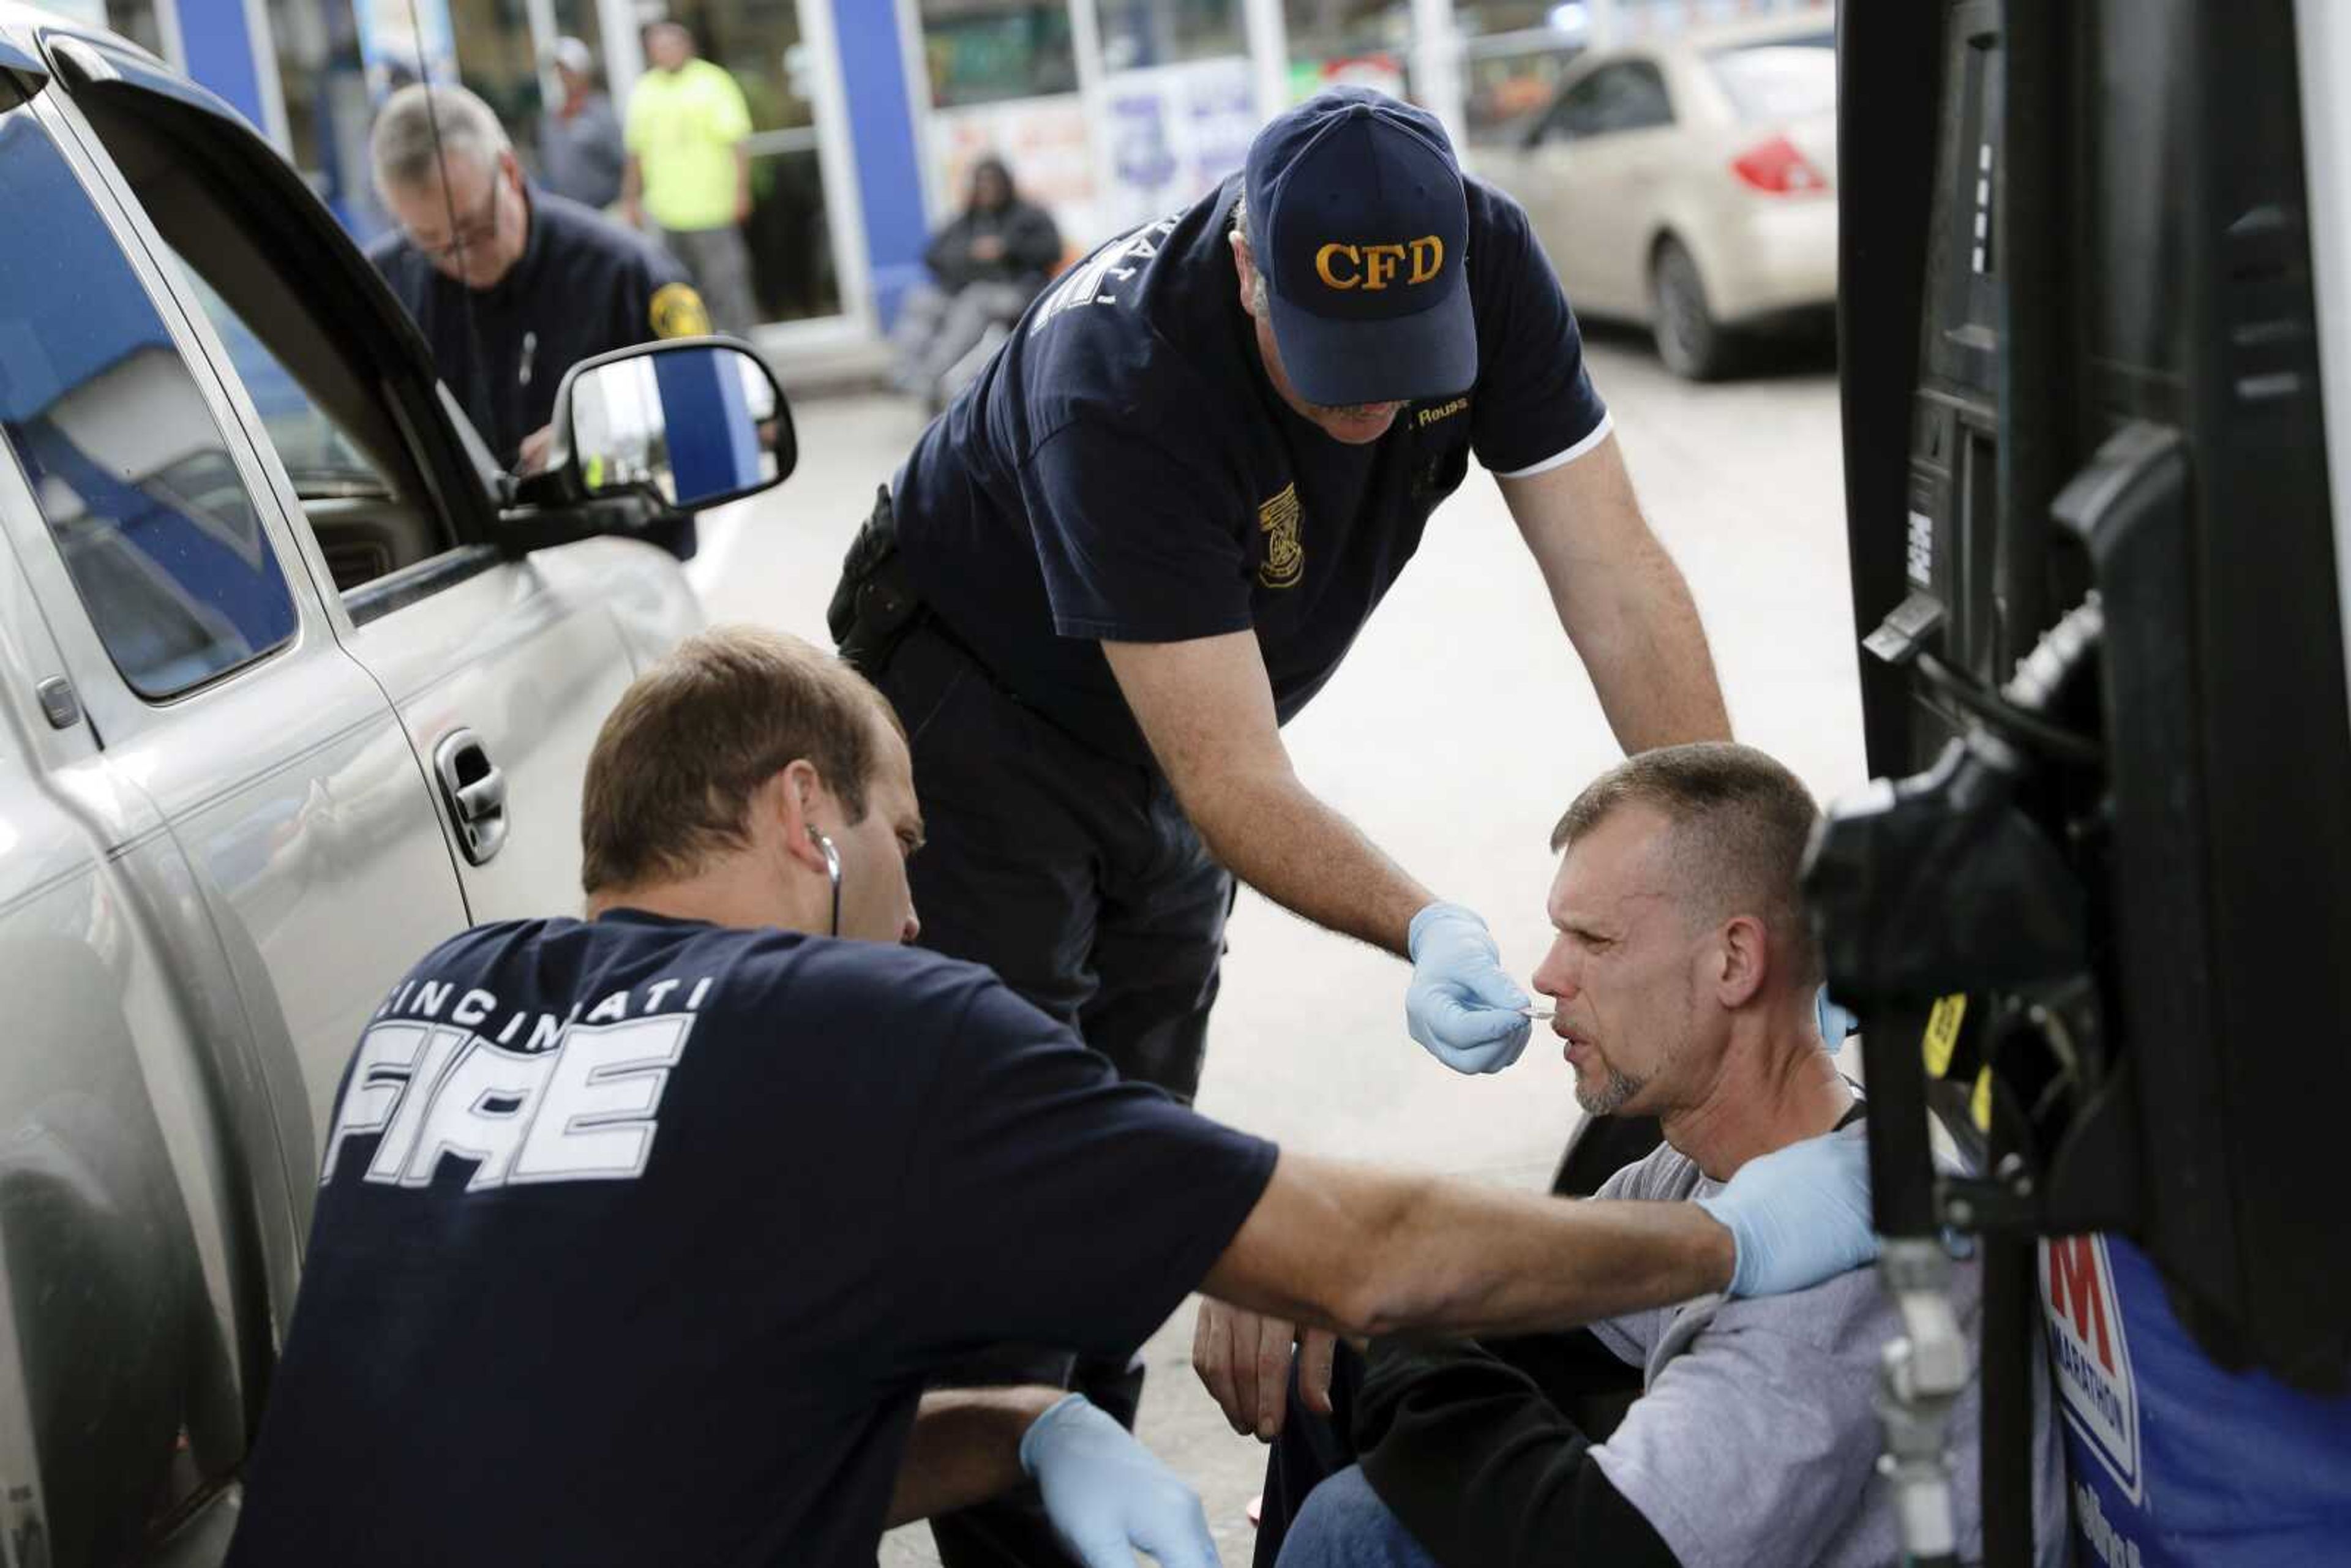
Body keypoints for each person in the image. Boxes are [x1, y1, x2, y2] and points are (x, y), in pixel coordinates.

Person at [219, 629, 1881, 1568]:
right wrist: (1726, 1256)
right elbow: (1357, 1260)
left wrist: (1031, 1428)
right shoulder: (852, 1019)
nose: (925, 910)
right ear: (811, 812)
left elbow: (647, 1468)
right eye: (908, 843)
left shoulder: (436, 1009)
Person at [830, 84, 1731, 1566]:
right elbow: (1232, 781)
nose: (1371, 406)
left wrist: (1737, 861)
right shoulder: (1120, 379)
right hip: (979, 705)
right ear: (1248, 263)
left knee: (1131, 1129)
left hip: (1193, 708)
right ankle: (1023, 1514)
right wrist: (1422, 918)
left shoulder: (1484, 257)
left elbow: (1613, 568)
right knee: (1007, 1153)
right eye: (1334, 369)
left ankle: (1082, 1445)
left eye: (1403, 367)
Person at [1243, 743, 2069, 1568]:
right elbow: (1508, 1286)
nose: (1547, 972)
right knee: (1338, 1357)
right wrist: (1333, 1263)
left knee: (1359, 1528)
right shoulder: (1699, 1168)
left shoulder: (1844, 1288)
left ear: (1735, 963)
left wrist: (1381, 1311)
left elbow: (1596, 1546)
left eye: (1592, 940)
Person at [366, 83, 708, 473]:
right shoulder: (381, 291)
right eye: (429, 241)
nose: (459, 260)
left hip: (620, 532)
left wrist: (604, 433)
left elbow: (712, 410)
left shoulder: (626, 271)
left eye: (474, 230)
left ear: (510, 172)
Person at [889, 155, 1063, 408]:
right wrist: (970, 254)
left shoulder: (1029, 216)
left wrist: (1006, 249)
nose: (986, 189)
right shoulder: (967, 220)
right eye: (981, 184)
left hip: (1018, 293)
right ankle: (904, 371)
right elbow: (933, 256)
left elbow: (1052, 250)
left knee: (976, 300)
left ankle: (933, 373)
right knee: (922, 298)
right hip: (963, 291)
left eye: (992, 183)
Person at [623, 22, 759, 336]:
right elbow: (636, 152)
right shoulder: (645, 90)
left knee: (726, 287)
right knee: (677, 294)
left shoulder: (713, 82)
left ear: (687, 46)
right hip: (667, 211)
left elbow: (737, 142)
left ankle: (741, 353)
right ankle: (697, 356)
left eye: (671, 45)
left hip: (712, 208)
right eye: (658, 47)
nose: (666, 52)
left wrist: (741, 192)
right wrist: (631, 200)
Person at [539, 37, 626, 211]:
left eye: (567, 70)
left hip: (605, 212)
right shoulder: (550, 120)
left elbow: (623, 163)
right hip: (568, 213)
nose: (562, 77)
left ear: (584, 72)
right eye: (558, 71)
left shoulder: (602, 113)